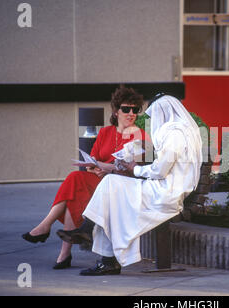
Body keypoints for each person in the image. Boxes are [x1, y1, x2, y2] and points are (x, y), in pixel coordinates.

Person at [57, 94, 203, 276]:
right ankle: (100, 249)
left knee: (111, 190)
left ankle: (99, 246)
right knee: (111, 189)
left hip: (166, 194)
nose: (153, 120)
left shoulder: (175, 134)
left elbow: (160, 170)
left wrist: (135, 169)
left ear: (162, 112)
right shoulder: (182, 131)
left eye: (154, 114)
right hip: (164, 189)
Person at [22, 87, 147, 269]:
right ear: (115, 111)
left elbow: (136, 169)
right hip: (99, 180)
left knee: (75, 181)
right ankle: (59, 244)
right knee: (76, 181)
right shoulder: (105, 132)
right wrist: (95, 168)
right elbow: (92, 160)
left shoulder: (141, 135)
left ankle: (50, 235)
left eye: (135, 110)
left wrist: (106, 168)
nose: (131, 113)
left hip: (122, 185)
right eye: (126, 109)